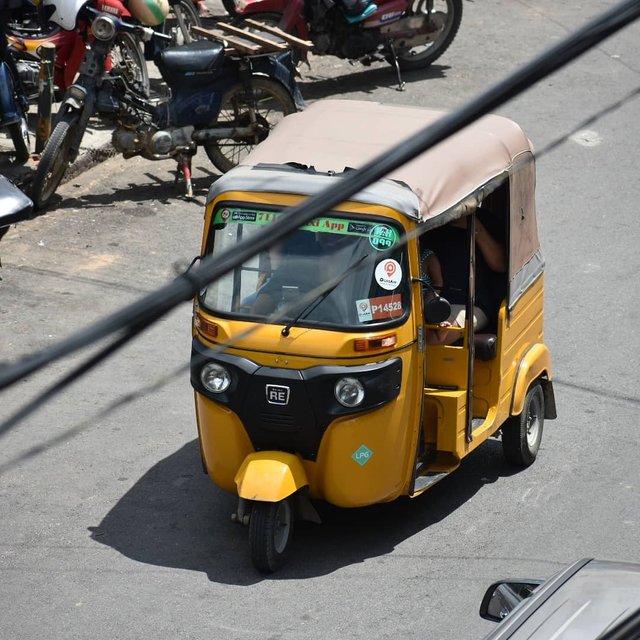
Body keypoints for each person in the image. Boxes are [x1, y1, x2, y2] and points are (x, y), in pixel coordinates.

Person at [426, 206, 506, 345]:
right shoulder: (428, 220)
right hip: (432, 298)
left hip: (471, 303)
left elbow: (500, 264)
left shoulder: (482, 220)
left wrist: (475, 228)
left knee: (435, 337)